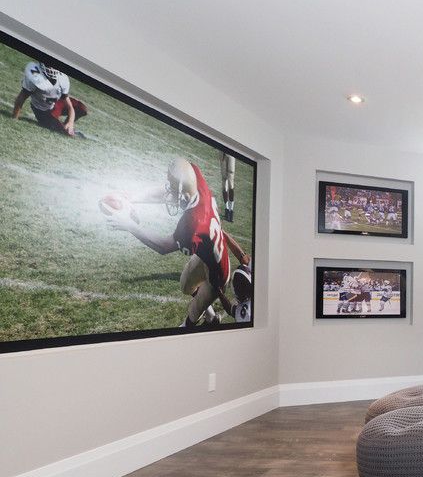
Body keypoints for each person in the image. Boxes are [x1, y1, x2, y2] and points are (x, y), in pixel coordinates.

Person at [105, 157, 250, 327]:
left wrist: (130, 226)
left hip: (217, 273)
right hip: (208, 254)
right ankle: (212, 318)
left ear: (183, 193)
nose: (169, 192)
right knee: (185, 286)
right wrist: (133, 198)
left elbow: (164, 246)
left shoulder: (193, 222)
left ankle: (190, 326)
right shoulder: (193, 178)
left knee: (193, 312)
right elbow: (178, 179)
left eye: (173, 191)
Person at [11, 61, 88, 136]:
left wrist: (70, 122)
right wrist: (14, 118)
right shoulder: (35, 74)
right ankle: (64, 129)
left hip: (56, 104)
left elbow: (70, 107)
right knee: (65, 133)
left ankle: (66, 126)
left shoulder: (62, 78)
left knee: (82, 108)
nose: (51, 68)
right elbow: (21, 98)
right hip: (42, 111)